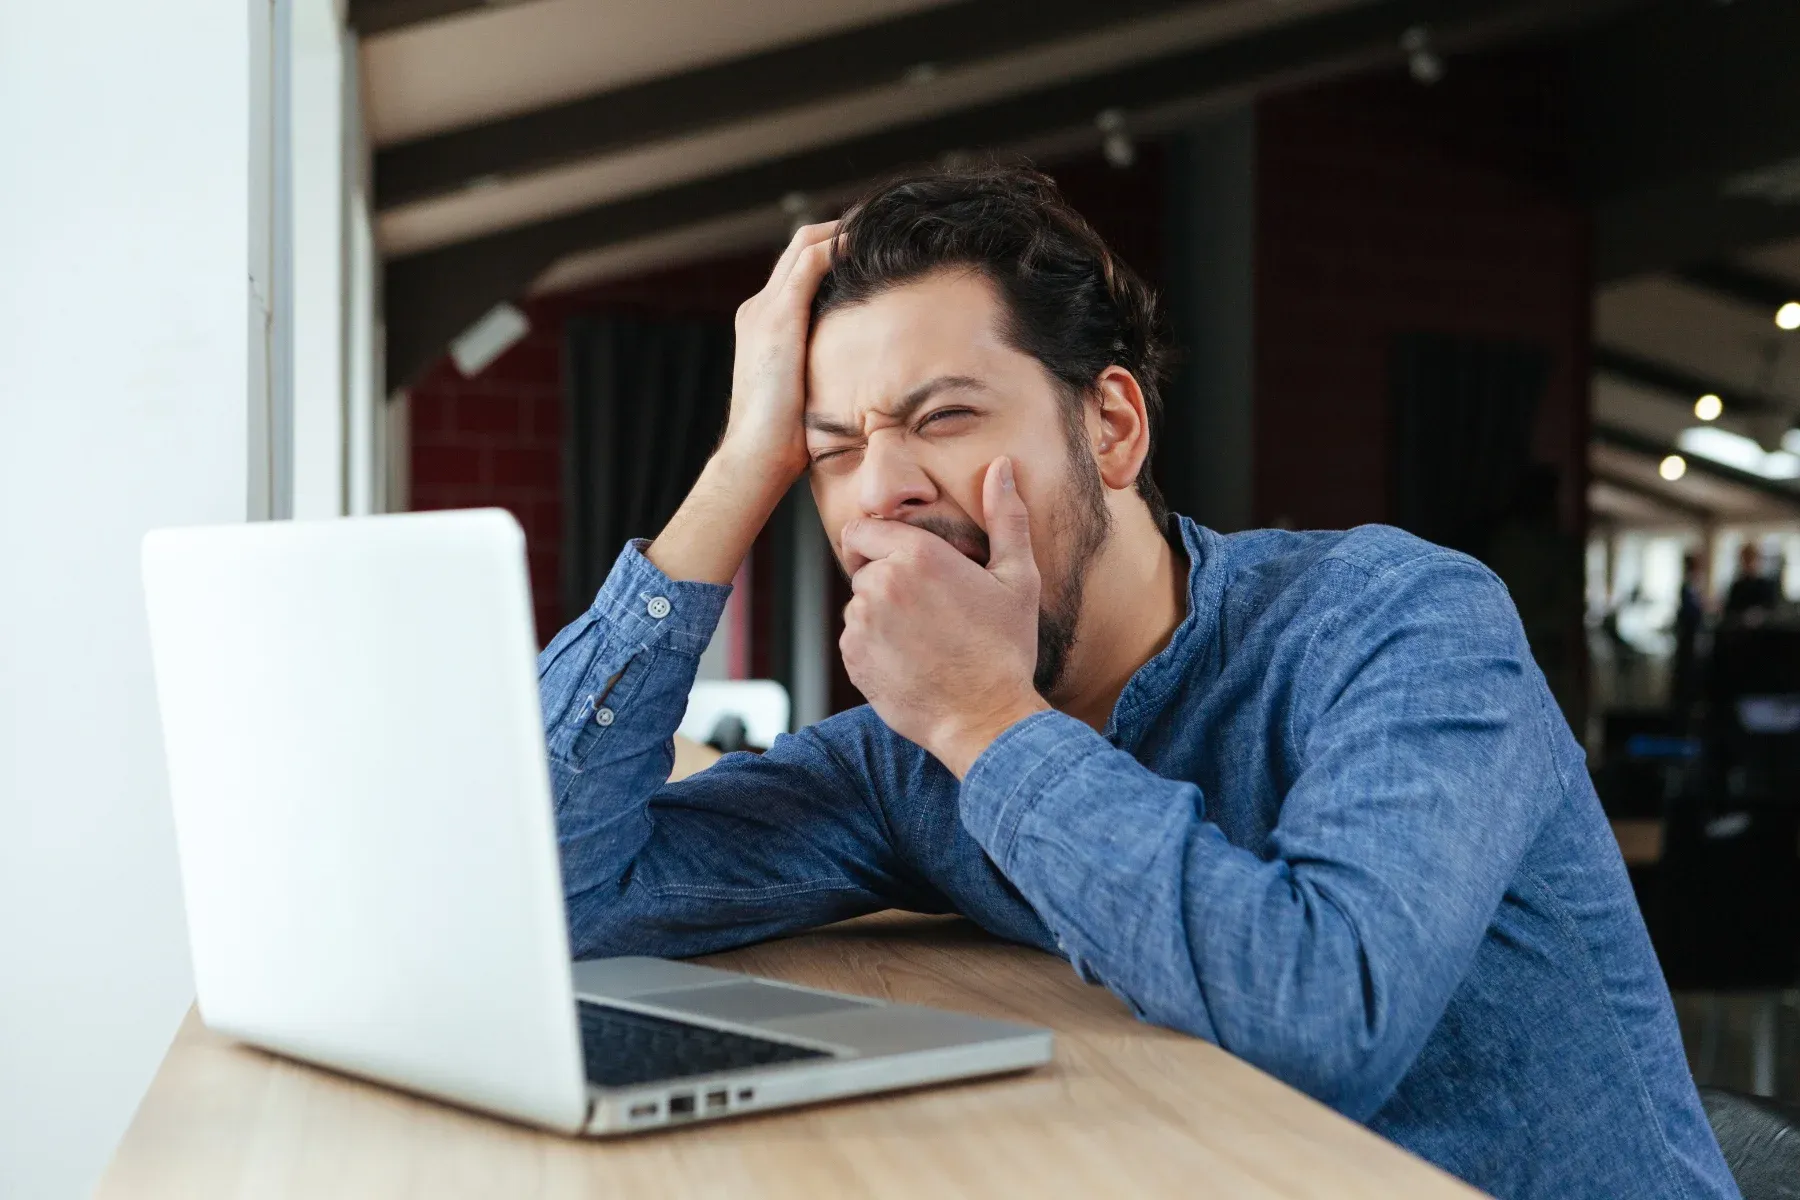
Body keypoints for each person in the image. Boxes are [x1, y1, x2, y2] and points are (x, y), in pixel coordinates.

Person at [538, 166, 1734, 1198]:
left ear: (1112, 429)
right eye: (831, 449)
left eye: (942, 415)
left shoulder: (1399, 618)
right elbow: (548, 889)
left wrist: (987, 722)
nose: (879, 489)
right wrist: (738, 469)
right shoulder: (909, 768)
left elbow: (1323, 1012)